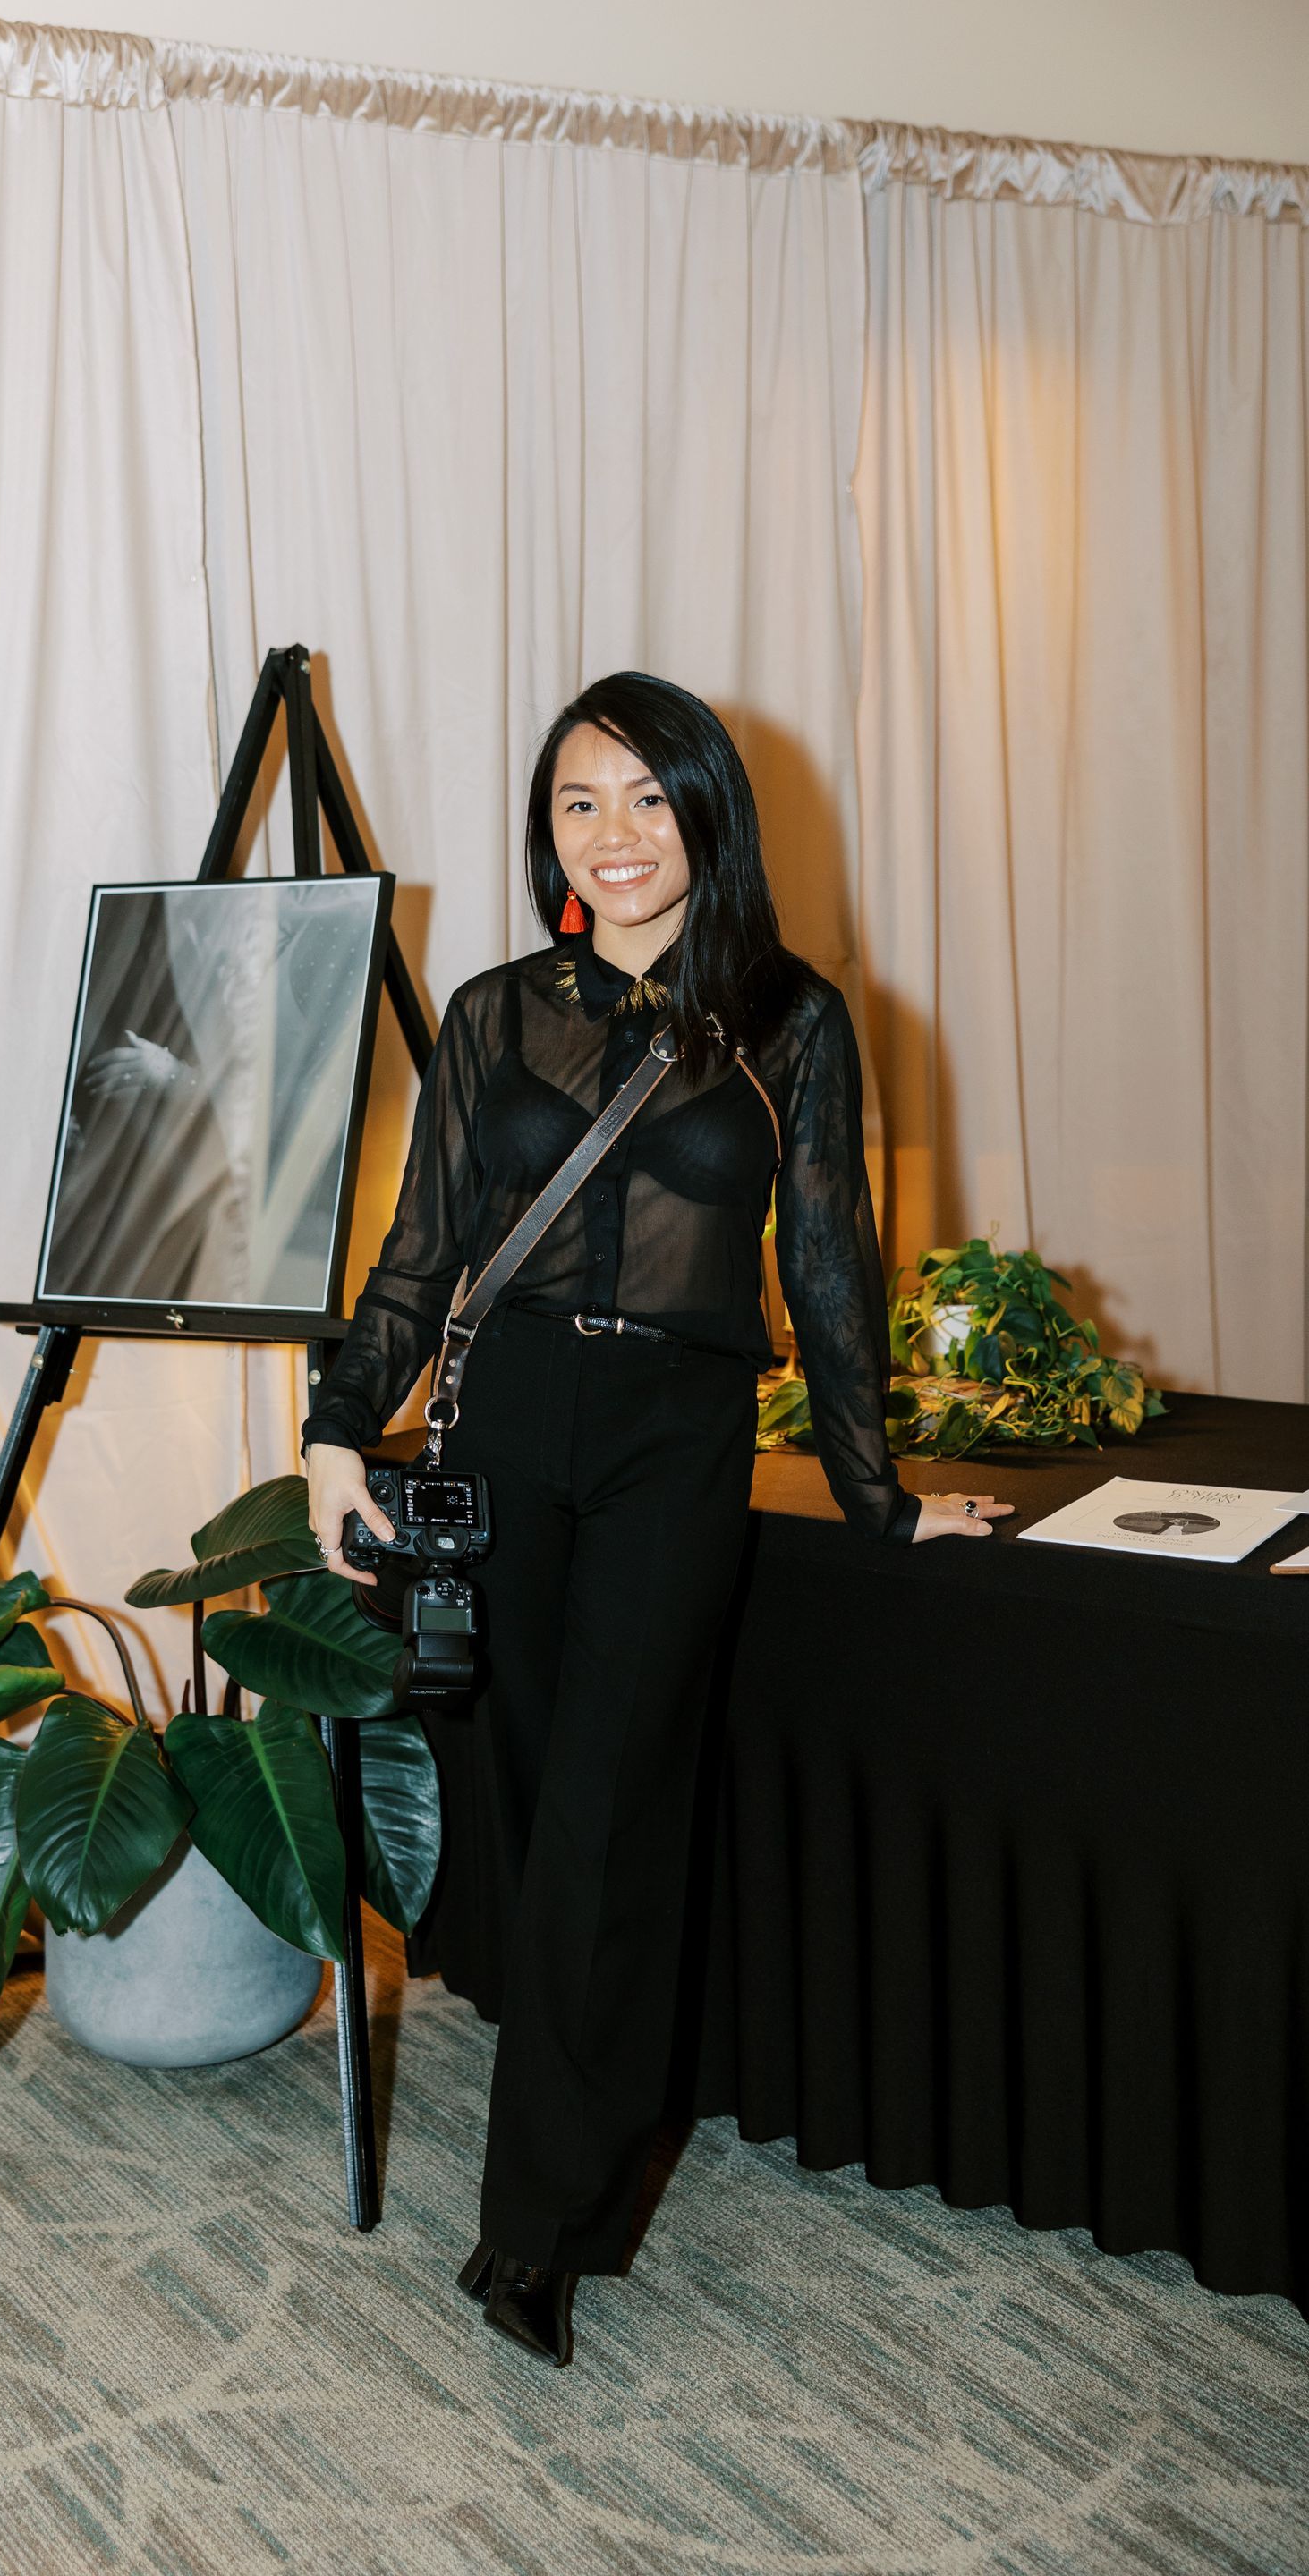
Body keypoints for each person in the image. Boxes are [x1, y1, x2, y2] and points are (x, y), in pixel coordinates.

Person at [302, 673, 1011, 2367]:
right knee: (549, 1816)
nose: (613, 837)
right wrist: (338, 1435)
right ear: (544, 830)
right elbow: (423, 1254)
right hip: (512, 1424)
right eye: (576, 803)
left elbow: (829, 1272)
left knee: (613, 1818)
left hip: (670, 1444)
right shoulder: (490, 1014)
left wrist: (879, 1494)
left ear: (708, 811)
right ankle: (589, 2158)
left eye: (645, 798)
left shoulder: (795, 1022)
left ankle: (531, 2229)